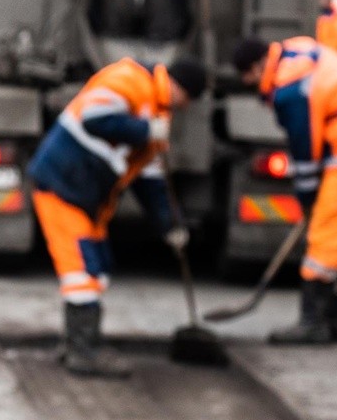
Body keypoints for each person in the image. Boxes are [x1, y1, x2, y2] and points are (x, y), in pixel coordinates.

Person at [28, 56, 207, 378]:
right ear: (181, 89)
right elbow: (94, 118)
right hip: (62, 186)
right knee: (81, 272)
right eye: (188, 100)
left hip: (88, 198)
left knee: (97, 269)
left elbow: (150, 181)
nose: (186, 108)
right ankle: (83, 353)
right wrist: (144, 129)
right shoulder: (130, 79)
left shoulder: (158, 116)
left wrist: (171, 225)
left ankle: (78, 344)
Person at [233, 36, 337, 344]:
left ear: (256, 67)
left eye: (248, 77)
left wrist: (307, 198)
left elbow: (305, 152)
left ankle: (312, 323)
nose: (250, 84)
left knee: (324, 237)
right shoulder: (297, 53)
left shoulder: (290, 89)